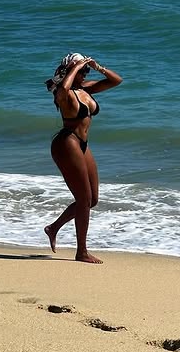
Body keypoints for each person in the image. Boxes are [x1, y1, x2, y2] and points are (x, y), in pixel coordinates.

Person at [43, 52, 122, 264]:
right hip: (66, 144)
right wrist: (76, 67)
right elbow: (64, 88)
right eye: (82, 70)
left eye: (86, 70)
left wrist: (98, 67)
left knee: (92, 199)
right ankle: (82, 252)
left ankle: (53, 228)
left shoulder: (85, 88)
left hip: (82, 144)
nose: (85, 73)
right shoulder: (64, 93)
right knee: (83, 200)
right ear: (71, 71)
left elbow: (116, 81)